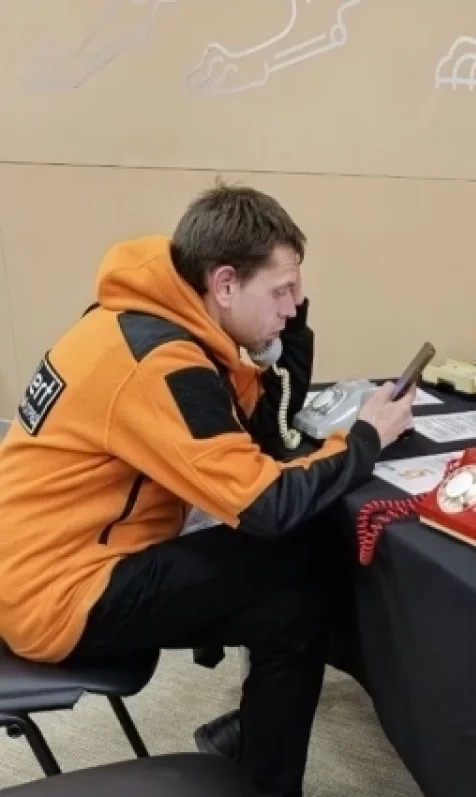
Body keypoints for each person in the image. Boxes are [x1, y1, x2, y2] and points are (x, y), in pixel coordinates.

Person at [0, 182, 415, 797]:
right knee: (301, 544)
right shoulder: (161, 362)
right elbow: (267, 505)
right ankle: (259, 760)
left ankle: (252, 757)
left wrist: (283, 343)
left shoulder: (146, 320)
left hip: (41, 563)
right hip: (61, 593)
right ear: (224, 284)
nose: (294, 306)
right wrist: (365, 440)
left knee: (293, 608)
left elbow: (252, 439)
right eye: (281, 292)